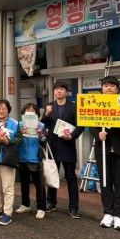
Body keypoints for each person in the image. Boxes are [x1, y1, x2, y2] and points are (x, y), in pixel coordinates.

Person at [90, 75, 120, 231]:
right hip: (103, 149)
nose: (109, 88)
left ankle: (119, 216)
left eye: (112, 86)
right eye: (106, 86)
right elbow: (91, 123)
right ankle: (108, 213)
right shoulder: (96, 103)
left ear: (117, 89)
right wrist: (98, 134)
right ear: (102, 89)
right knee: (105, 183)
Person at [41, 81, 84, 219]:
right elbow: (43, 124)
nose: (58, 91)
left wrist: (72, 136)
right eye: (56, 89)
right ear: (54, 92)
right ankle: (50, 202)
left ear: (66, 92)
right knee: (52, 175)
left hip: (68, 146)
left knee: (71, 178)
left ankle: (73, 207)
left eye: (61, 89)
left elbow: (80, 125)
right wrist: (46, 114)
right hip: (53, 146)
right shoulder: (49, 106)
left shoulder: (74, 106)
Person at [16, 103, 46, 219]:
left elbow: (45, 142)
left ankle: (41, 208)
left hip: (36, 158)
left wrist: (40, 135)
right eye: (28, 109)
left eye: (33, 110)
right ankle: (25, 204)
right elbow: (15, 140)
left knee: (39, 184)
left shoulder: (41, 125)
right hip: (22, 157)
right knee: (24, 183)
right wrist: (20, 133)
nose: (30, 111)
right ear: (24, 112)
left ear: (36, 113)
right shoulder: (19, 125)